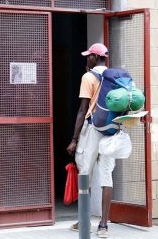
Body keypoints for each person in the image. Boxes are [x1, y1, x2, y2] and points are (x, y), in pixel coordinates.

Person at [67, 43, 115, 238]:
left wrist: (74, 139)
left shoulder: (88, 77)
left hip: (93, 129)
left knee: (85, 173)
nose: (87, 59)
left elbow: (82, 109)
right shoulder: (113, 76)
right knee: (106, 176)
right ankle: (103, 225)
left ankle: (84, 220)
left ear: (94, 58)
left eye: (89, 56)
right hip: (111, 131)